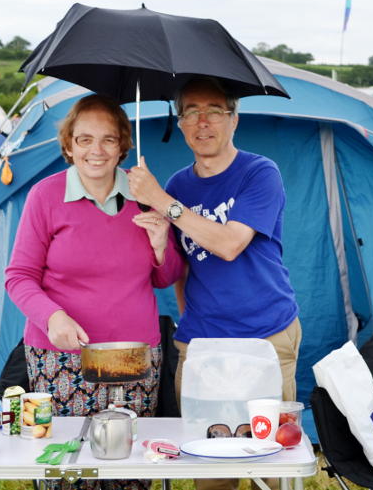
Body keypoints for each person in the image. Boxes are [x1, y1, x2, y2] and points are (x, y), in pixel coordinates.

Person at [5, 95, 184, 488]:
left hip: (134, 357)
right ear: (68, 146)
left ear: (123, 144)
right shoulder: (45, 197)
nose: (96, 150)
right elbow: (18, 277)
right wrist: (51, 317)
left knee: (128, 465)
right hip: (60, 357)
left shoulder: (145, 194)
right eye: (84, 140)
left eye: (107, 139)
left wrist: (160, 244)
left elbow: (166, 275)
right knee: (66, 465)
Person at [128, 76, 301, 447]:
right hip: (202, 343)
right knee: (209, 460)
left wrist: (161, 200)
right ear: (180, 124)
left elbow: (229, 244)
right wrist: (190, 315)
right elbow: (181, 267)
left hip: (266, 334)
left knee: (270, 458)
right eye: (190, 112)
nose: (202, 122)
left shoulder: (259, 173)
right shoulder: (178, 185)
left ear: (234, 119)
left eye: (213, 111)